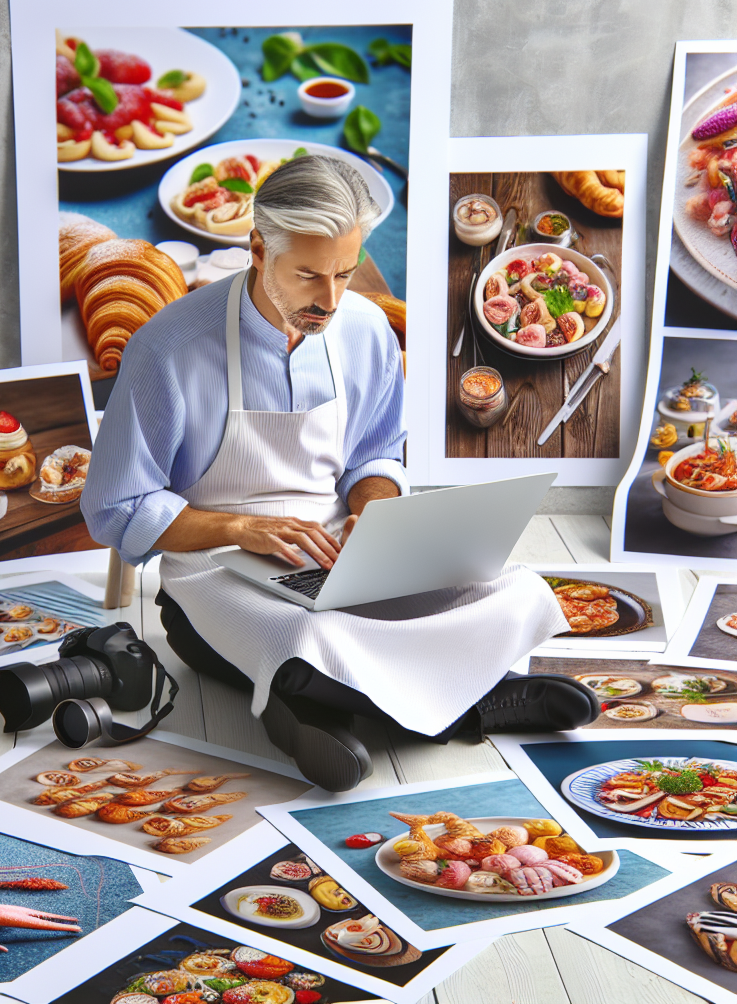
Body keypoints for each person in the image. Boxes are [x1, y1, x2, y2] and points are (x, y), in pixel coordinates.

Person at [82, 155, 597, 791]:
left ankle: (314, 709)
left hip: (334, 550)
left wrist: (372, 514)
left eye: (344, 274)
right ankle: (479, 703)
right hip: (213, 570)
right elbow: (117, 507)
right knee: (308, 633)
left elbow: (374, 456)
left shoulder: (365, 328)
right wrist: (240, 528)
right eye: (307, 276)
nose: (329, 300)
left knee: (512, 589)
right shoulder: (167, 348)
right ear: (257, 249)